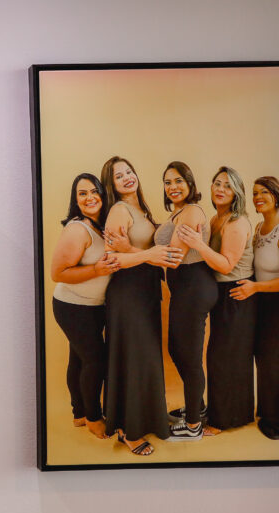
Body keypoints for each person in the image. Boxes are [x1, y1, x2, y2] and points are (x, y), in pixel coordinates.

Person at [101, 156, 182, 455]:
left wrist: (139, 251)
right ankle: (128, 430)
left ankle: (151, 416)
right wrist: (149, 255)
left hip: (146, 292)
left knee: (146, 358)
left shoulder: (142, 210)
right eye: (118, 175)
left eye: (129, 171)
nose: (127, 177)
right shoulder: (119, 210)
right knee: (133, 359)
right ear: (112, 184)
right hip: (127, 294)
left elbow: (138, 251)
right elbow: (111, 259)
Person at [176, 166, 255, 434]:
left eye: (228, 185)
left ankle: (225, 421)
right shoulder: (216, 218)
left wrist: (198, 243)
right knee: (220, 356)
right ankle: (225, 411)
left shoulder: (236, 222)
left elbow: (226, 264)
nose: (221, 189)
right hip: (221, 292)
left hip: (236, 293)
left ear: (237, 192)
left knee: (227, 357)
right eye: (217, 183)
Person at [230, 176, 279, 439]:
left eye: (264, 192)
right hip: (262, 301)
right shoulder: (260, 227)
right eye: (254, 193)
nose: (258, 197)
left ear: (276, 195)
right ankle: (268, 412)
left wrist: (255, 288)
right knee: (264, 359)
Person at [50, 174, 117, 440]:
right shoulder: (78, 229)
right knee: (94, 360)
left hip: (94, 307)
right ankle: (92, 417)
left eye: (94, 191)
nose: (90, 197)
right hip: (72, 306)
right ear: (75, 200)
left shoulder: (100, 225)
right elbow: (58, 273)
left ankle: (78, 413)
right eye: (82, 193)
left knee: (78, 359)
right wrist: (96, 270)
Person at [153, 161, 216, 441]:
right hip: (185, 290)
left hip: (194, 287)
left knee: (189, 357)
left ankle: (193, 426)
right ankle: (196, 408)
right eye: (167, 182)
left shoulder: (191, 211)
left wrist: (128, 251)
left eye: (178, 180)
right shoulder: (179, 213)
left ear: (190, 183)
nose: (173, 187)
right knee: (177, 350)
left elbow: (174, 258)